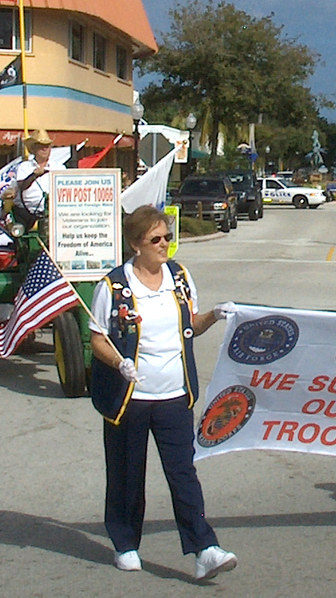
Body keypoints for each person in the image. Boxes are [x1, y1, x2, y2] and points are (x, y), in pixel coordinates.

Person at [88, 205, 238, 580]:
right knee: (127, 474)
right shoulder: (112, 286)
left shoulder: (180, 277)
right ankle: (125, 543)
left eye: (168, 238)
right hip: (131, 399)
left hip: (174, 394)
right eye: (156, 239)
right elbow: (97, 340)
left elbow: (191, 323)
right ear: (136, 244)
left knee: (183, 472)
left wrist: (215, 316)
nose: (165, 246)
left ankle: (204, 547)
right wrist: (119, 363)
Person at [13, 129, 61, 229]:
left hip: (56, 213)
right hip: (29, 213)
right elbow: (22, 186)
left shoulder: (59, 168)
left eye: (47, 146)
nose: (45, 149)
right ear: (34, 148)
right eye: (41, 145)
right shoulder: (24, 167)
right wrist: (34, 176)